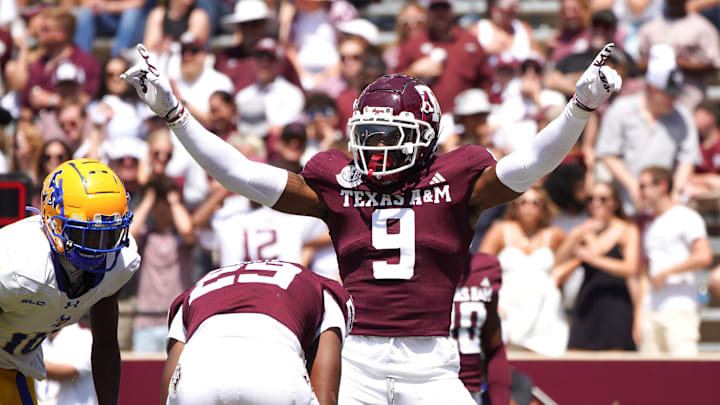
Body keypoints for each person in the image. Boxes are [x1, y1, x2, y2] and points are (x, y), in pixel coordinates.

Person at [123, 42, 621, 404]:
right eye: (370, 134)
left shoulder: (457, 178)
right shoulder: (338, 183)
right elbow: (241, 173)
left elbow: (530, 162)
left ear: (425, 137)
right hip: (354, 361)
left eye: (391, 135)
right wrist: (174, 112)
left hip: (430, 364)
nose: (377, 148)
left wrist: (579, 109)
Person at [0, 158, 139, 404]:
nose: (100, 249)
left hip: (14, 369)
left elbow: (106, 345)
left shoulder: (118, 264)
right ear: (54, 224)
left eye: (110, 234)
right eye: (88, 234)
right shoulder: (17, 264)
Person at [162, 259, 353, 405]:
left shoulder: (194, 290)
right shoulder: (325, 289)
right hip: (275, 374)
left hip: (197, 378)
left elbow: (171, 376)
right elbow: (326, 394)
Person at [595, 44, 701, 215]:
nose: (674, 100)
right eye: (669, 94)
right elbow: (607, 153)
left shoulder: (683, 116)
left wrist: (675, 193)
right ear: (652, 90)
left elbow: (687, 160)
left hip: (667, 206)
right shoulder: (621, 109)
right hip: (626, 206)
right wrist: (634, 187)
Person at [479, 187, 569, 356]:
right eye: (523, 202)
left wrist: (560, 272)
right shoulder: (501, 230)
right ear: (515, 205)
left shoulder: (553, 234)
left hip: (545, 306)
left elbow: (578, 253)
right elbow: (481, 266)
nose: (529, 207)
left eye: (536, 202)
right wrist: (491, 301)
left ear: (543, 207)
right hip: (507, 303)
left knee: (546, 357)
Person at [552, 181, 640, 350]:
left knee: (615, 364)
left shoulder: (627, 230)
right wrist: (575, 236)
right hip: (587, 300)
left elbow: (630, 268)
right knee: (577, 360)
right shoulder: (584, 230)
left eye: (603, 199)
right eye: (591, 199)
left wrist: (594, 259)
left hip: (616, 302)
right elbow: (557, 262)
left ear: (614, 203)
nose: (596, 203)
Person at [635, 166, 713, 355]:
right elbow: (645, 274)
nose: (640, 191)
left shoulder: (686, 217)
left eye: (644, 186)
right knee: (649, 379)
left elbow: (704, 256)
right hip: (651, 311)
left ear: (661, 186)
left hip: (680, 308)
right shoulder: (651, 226)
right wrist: (638, 315)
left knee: (684, 378)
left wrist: (667, 273)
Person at [450, 253, 510, 405]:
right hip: (421, 388)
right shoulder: (417, 264)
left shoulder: (485, 267)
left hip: (470, 391)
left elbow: (494, 345)